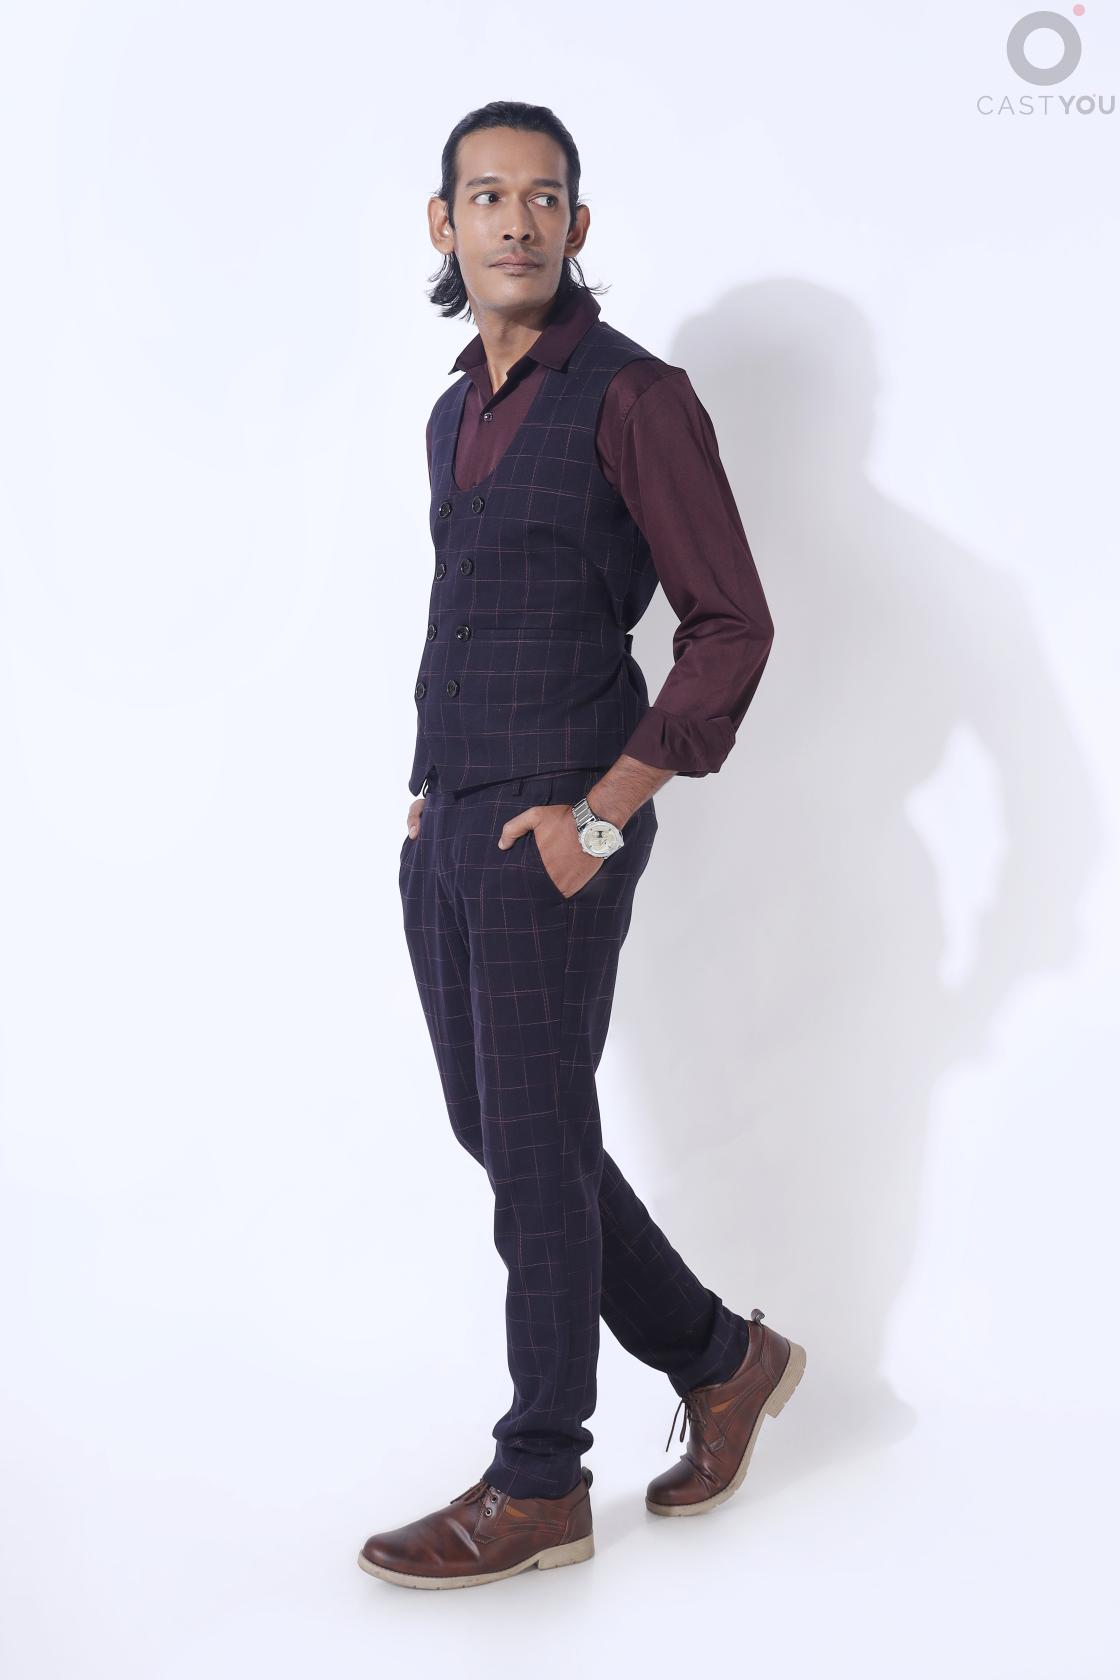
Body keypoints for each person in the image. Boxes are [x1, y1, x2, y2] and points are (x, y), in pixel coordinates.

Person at [359, 100, 805, 1591]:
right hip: (450, 820)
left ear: (578, 225)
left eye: (544, 197)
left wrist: (606, 811)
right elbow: (467, 610)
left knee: (538, 1150)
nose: (516, 221)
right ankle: (722, 1359)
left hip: (559, 824)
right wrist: (427, 791)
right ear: (445, 224)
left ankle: (540, 1477)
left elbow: (730, 624)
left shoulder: (635, 397)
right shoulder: (454, 413)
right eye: (487, 196)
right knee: (505, 1132)